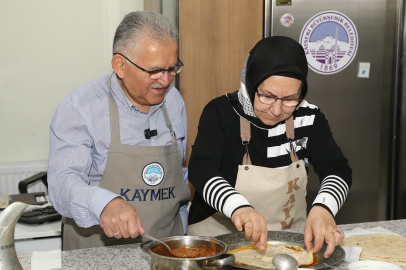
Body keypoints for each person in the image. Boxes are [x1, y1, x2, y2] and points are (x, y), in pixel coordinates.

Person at [187, 36, 352, 258]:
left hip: (289, 242)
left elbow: (337, 167)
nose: (276, 110)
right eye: (267, 96)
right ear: (252, 83)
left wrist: (324, 207)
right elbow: (200, 168)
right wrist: (238, 207)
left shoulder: (309, 116)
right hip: (217, 242)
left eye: (290, 99)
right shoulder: (221, 113)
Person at [48, 11, 190, 250]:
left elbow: (179, 177)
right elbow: (62, 183)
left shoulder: (173, 100)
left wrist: (184, 237)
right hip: (99, 254)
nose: (165, 81)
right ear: (120, 65)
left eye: (172, 68)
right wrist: (106, 204)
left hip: (166, 250)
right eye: (154, 71)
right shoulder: (81, 108)